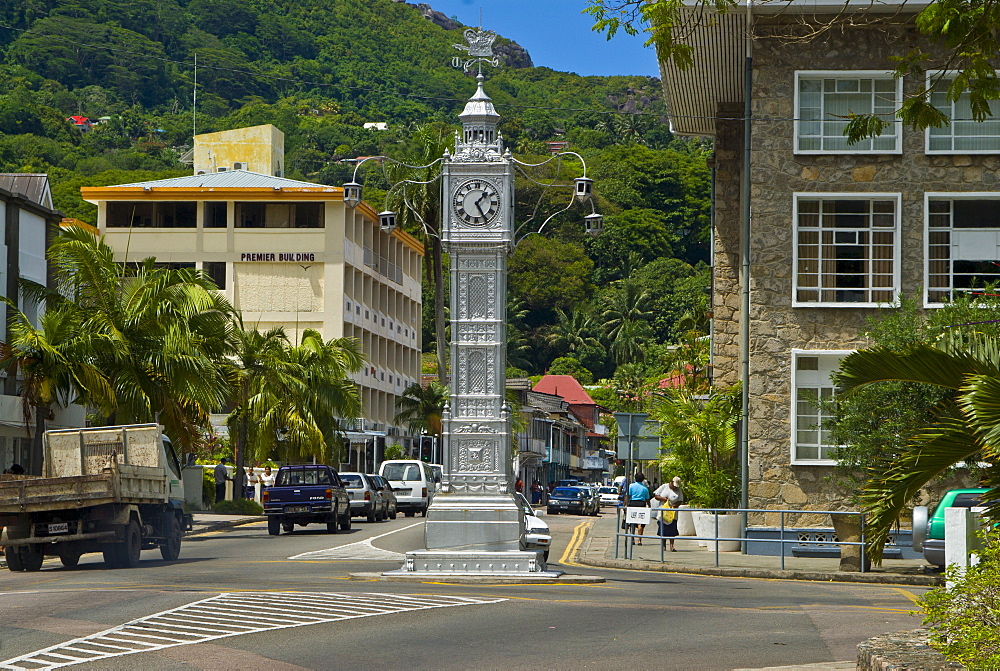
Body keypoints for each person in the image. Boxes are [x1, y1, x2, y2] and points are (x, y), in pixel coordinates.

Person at [653, 476, 685, 551]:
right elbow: (656, 496)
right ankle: (663, 545)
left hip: (672, 512)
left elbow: (680, 500)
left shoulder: (679, 490)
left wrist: (673, 506)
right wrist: (664, 499)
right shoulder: (664, 487)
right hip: (663, 511)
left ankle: (672, 545)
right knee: (663, 528)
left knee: (672, 529)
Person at [626, 473, 652, 545]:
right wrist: (649, 506)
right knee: (640, 522)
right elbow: (647, 499)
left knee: (632, 521)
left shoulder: (631, 486)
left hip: (633, 503)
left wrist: (625, 504)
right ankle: (639, 540)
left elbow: (627, 496)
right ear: (643, 479)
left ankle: (632, 539)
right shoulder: (645, 488)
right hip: (641, 504)